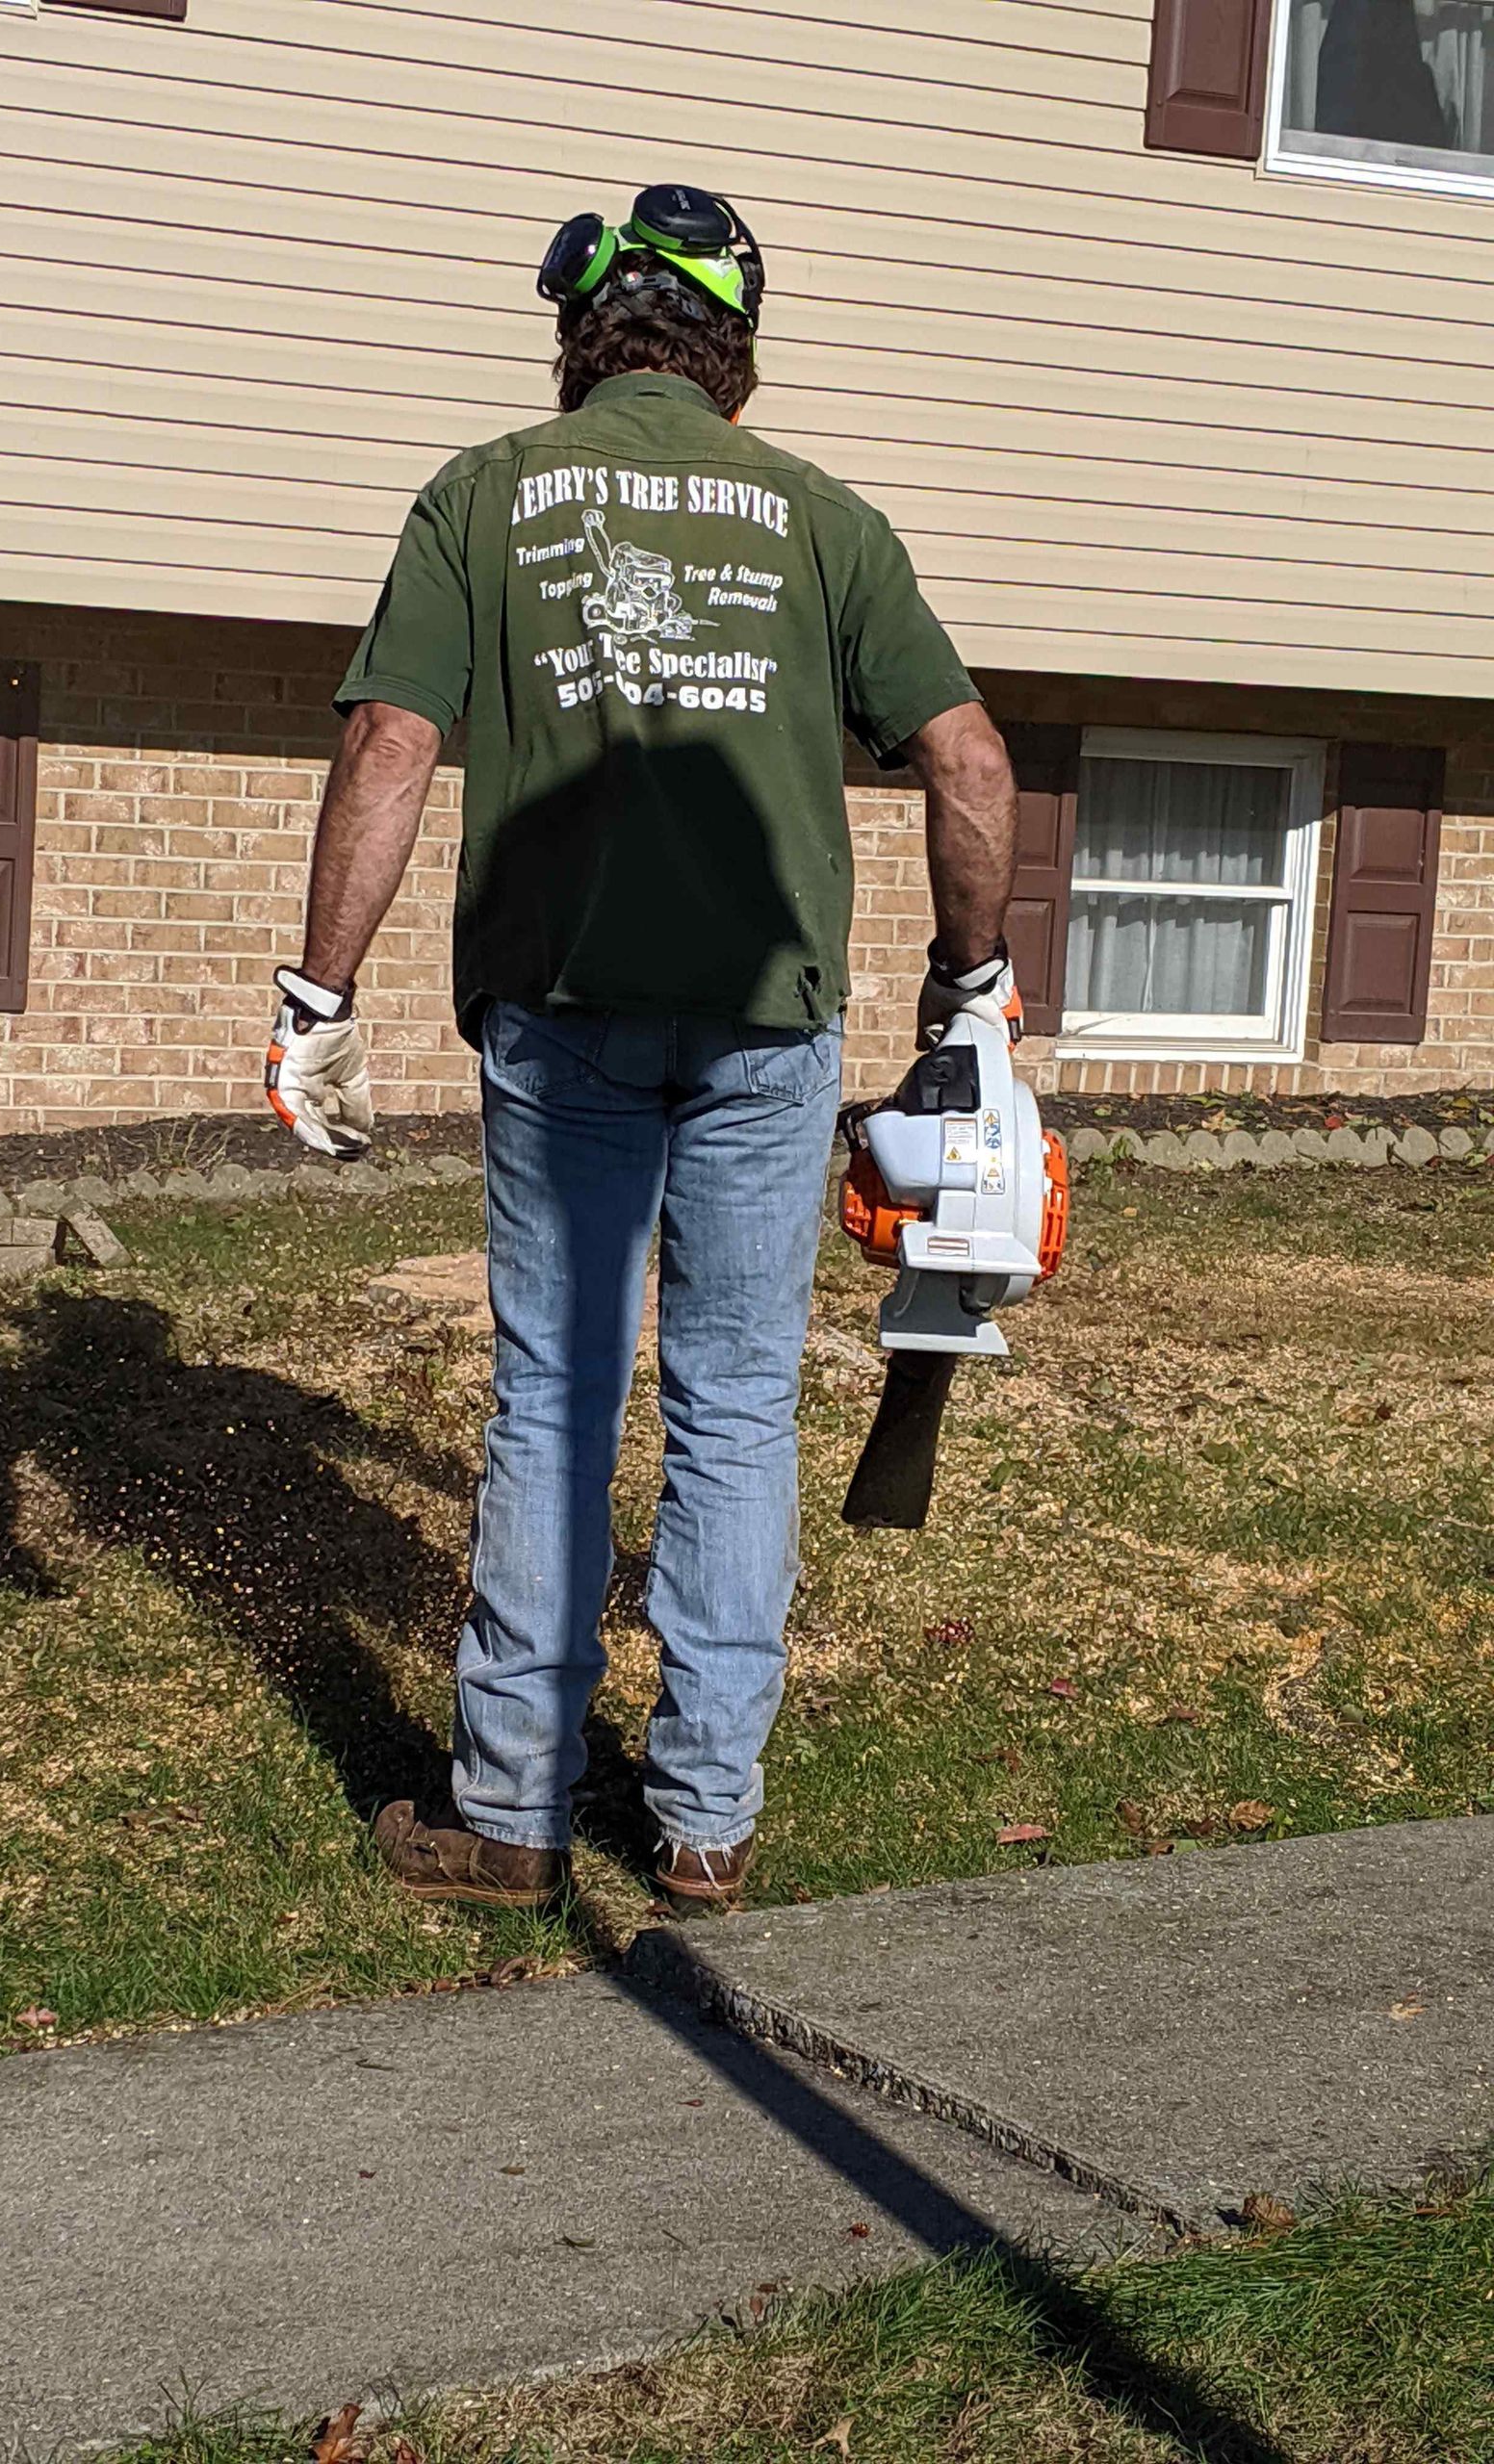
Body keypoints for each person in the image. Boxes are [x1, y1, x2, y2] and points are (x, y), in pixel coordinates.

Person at [267, 185, 1021, 1917]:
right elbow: (971, 768)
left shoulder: (488, 494)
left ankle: (512, 1816)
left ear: (582, 332)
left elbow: (394, 737)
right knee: (739, 1404)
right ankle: (702, 1824)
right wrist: (968, 988)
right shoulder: (827, 521)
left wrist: (319, 995)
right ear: (735, 353)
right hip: (770, 1024)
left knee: (556, 1394)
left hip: (564, 1010)